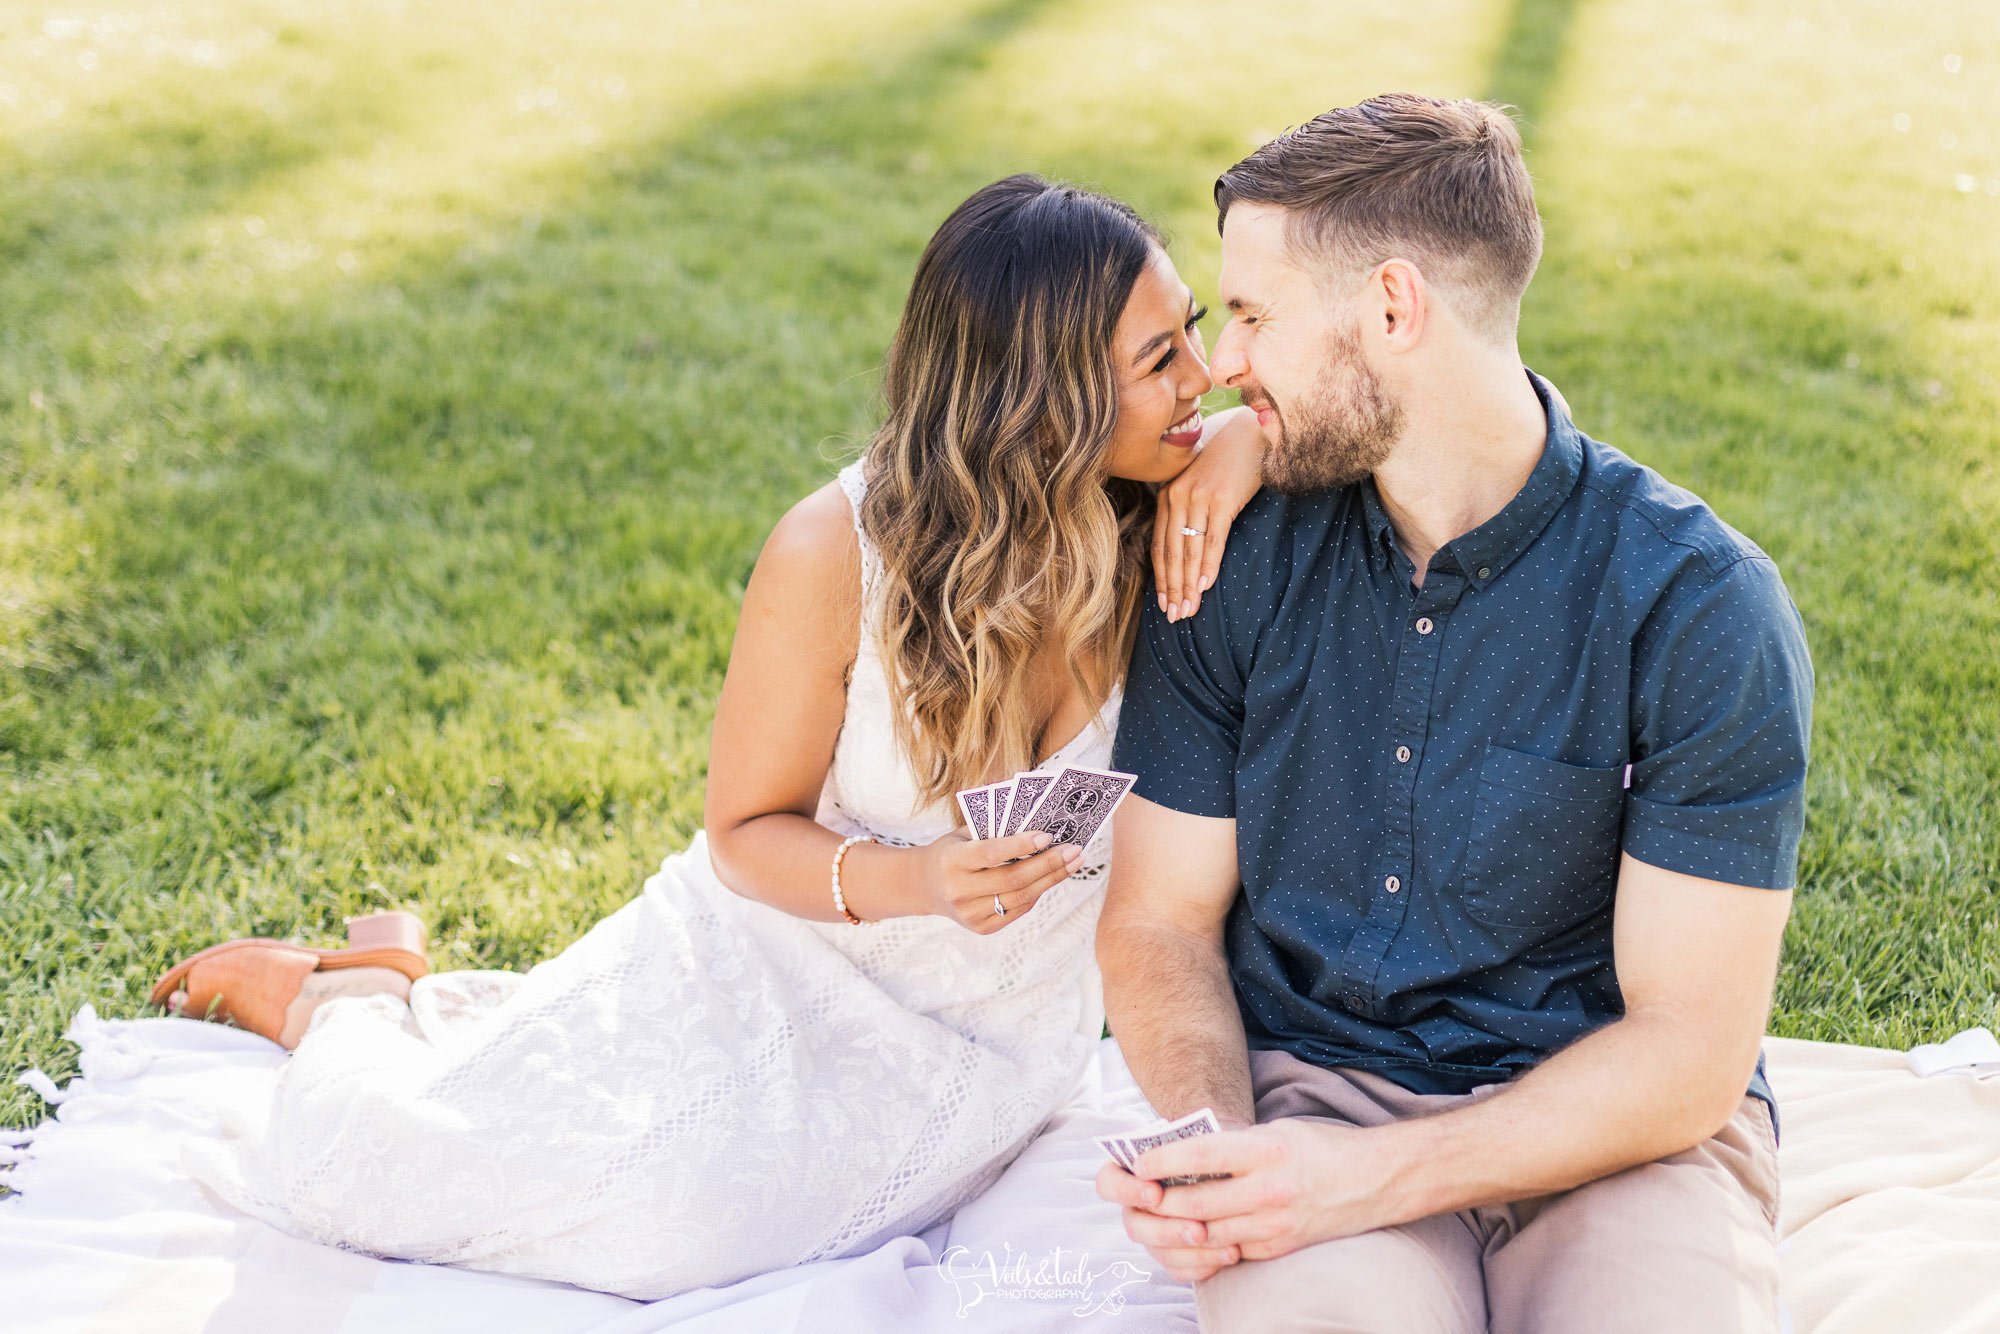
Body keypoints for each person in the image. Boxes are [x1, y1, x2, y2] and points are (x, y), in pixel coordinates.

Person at [145, 173, 1270, 1301]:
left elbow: (1372, 432)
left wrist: (1250, 448)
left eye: (1194, 333)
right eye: (1157, 358)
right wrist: (918, 876)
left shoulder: (1177, 517)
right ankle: (347, 1000)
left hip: (999, 1047)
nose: (1206, 376)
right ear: (1038, 398)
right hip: (770, 959)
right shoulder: (837, 550)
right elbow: (741, 831)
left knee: (720, 1218)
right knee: (482, 1192)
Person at [1094, 95, 1813, 1333]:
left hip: (1615, 1132)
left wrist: (1366, 1181)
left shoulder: (1695, 607)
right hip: (1314, 1097)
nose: (1221, 365)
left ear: (1389, 308)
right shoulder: (1223, 555)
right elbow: (1158, 918)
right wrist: (1220, 1147)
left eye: (1255, 318)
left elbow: (1689, 1046)